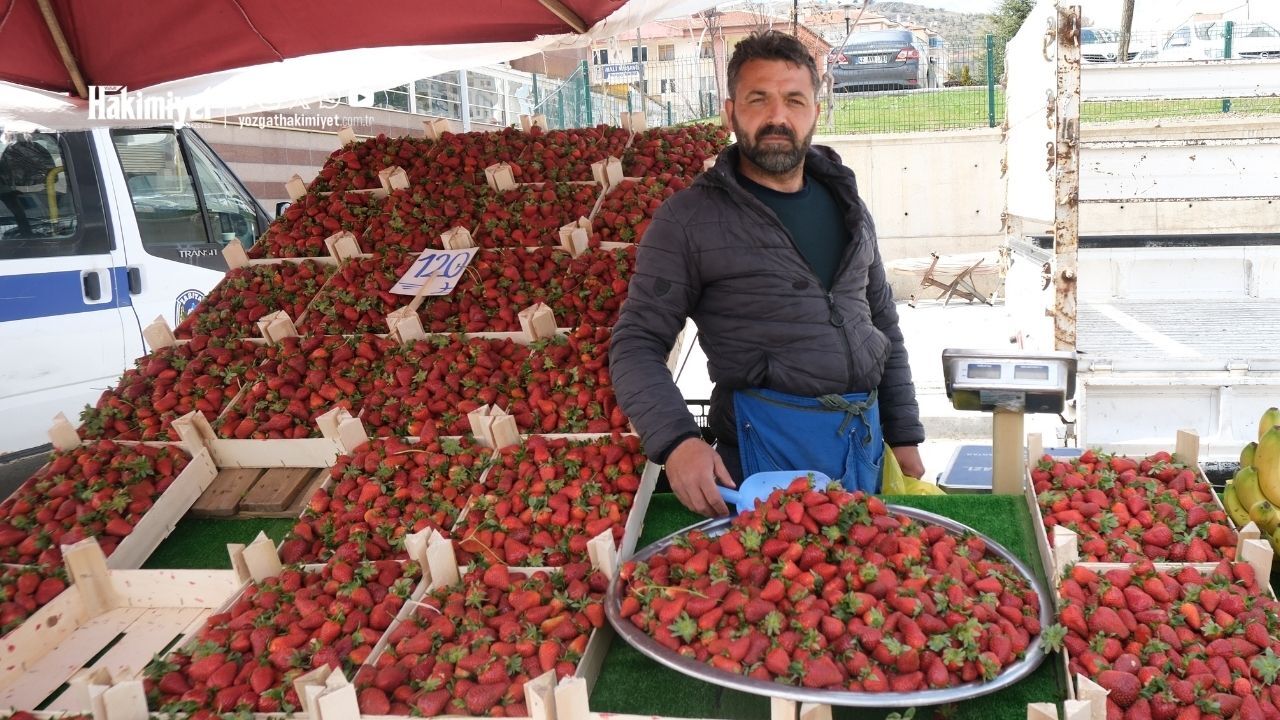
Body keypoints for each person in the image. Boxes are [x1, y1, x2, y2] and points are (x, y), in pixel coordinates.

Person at [609, 30, 926, 517]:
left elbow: (882, 322)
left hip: (861, 445)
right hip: (761, 459)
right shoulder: (688, 220)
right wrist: (676, 440)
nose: (778, 116)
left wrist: (904, 435)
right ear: (730, 112)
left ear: (816, 111)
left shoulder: (849, 206)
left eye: (794, 100)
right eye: (758, 99)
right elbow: (636, 341)